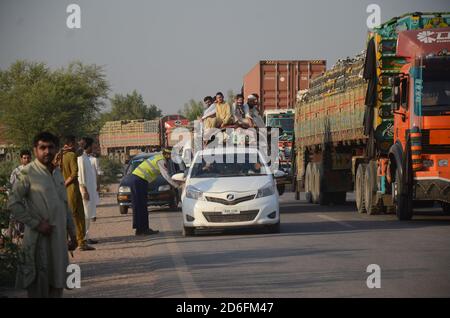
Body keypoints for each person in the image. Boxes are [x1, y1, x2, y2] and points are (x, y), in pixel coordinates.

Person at [8, 132, 77, 298]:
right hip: (38, 242)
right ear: (35, 150)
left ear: (56, 149)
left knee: (58, 285)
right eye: (42, 148)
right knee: (39, 288)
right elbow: (13, 203)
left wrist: (73, 234)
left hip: (59, 243)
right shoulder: (27, 173)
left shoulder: (57, 173)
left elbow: (64, 206)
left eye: (50, 147)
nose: (47, 151)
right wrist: (36, 224)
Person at [122, 148, 180, 235]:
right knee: (141, 205)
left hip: (138, 179)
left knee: (139, 205)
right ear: (167, 155)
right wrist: (177, 186)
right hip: (139, 180)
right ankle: (143, 229)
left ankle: (140, 229)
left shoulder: (158, 157)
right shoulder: (161, 160)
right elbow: (166, 176)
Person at [60, 136, 95, 251]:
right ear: (70, 143)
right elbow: (74, 174)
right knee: (78, 216)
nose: (76, 145)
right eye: (74, 143)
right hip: (72, 189)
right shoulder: (71, 155)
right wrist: (65, 184)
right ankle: (81, 242)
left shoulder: (59, 155)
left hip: (61, 191)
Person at [77, 137, 99, 245]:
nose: (94, 147)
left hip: (90, 191)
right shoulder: (81, 158)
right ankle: (83, 238)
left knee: (88, 214)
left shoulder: (87, 158)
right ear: (88, 146)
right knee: (85, 215)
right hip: (85, 192)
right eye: (92, 145)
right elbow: (80, 177)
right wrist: (84, 190)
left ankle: (86, 236)